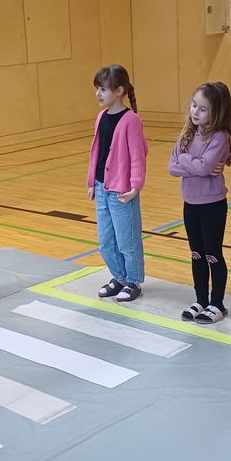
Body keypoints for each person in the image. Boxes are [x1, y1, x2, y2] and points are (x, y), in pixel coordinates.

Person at [168, 82, 231, 324]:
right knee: (196, 253)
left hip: (212, 205)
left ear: (216, 112)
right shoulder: (187, 133)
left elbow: (205, 167)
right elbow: (172, 167)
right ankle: (201, 300)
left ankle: (217, 304)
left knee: (212, 254)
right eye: (194, 105)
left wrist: (186, 160)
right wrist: (196, 165)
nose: (195, 112)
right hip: (190, 204)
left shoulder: (220, 137)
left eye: (203, 109)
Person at [86, 64, 148, 303]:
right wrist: (92, 182)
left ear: (119, 91)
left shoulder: (131, 120)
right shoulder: (101, 117)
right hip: (102, 188)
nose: (98, 94)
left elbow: (138, 156)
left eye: (103, 89)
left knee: (127, 240)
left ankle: (133, 280)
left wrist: (135, 187)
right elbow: (96, 152)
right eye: (97, 89)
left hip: (122, 191)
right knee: (106, 241)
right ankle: (119, 277)